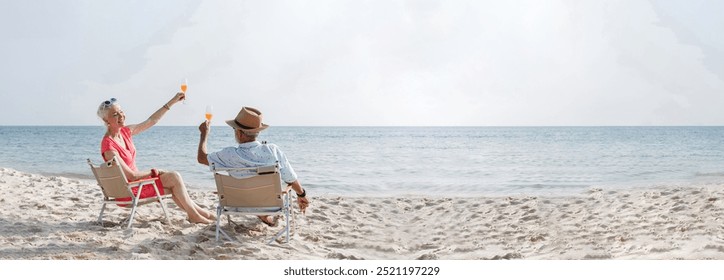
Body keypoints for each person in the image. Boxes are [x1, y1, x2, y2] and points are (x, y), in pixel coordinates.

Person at [97, 94, 214, 224]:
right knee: (174, 178)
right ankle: (196, 216)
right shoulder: (109, 146)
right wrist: (155, 171)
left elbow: (152, 120)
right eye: (115, 115)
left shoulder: (125, 132)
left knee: (174, 185)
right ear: (106, 120)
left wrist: (174, 100)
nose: (121, 116)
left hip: (137, 184)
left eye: (121, 112)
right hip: (128, 192)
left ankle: (203, 214)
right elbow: (132, 175)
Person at [196, 106, 309, 226]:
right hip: (271, 206)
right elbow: (290, 177)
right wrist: (301, 194)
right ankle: (263, 213)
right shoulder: (272, 150)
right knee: (277, 189)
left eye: (234, 129)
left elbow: (201, 158)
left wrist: (204, 134)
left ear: (239, 133)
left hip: (237, 204)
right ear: (258, 132)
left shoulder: (229, 154)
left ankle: (260, 212)